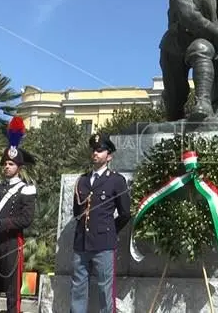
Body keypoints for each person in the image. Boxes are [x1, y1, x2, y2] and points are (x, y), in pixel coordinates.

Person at [0, 116, 37, 313]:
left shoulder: (26, 189)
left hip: (12, 242)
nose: (7, 167)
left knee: (13, 292)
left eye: (11, 164)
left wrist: (0, 224)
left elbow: (26, 219)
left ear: (19, 168)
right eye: (5, 163)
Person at [70, 132, 131, 313]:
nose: (95, 153)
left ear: (109, 156)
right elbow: (77, 212)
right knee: (78, 289)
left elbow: (125, 213)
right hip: (81, 243)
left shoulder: (116, 181)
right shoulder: (82, 180)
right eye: (94, 150)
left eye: (100, 150)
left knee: (105, 290)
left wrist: (110, 230)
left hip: (104, 243)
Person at [159, 0, 218, 121]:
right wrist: (217, 33)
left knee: (201, 49)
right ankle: (174, 116)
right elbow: (189, 16)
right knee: (175, 97)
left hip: (203, 40)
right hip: (175, 45)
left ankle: (203, 101)